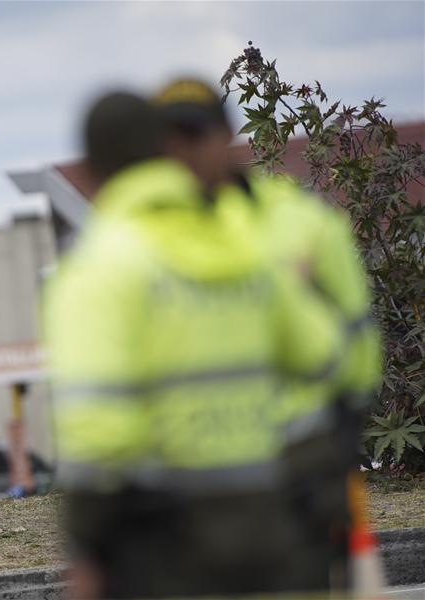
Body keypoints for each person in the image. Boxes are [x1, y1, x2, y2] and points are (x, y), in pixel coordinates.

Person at [44, 91, 344, 598]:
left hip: (164, 547)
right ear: (164, 149)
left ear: (91, 170)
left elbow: (98, 432)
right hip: (271, 525)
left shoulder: (99, 266)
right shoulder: (242, 240)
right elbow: (322, 355)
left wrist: (88, 548)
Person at [154, 77, 383, 590]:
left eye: (193, 136)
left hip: (299, 462)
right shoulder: (143, 239)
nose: (182, 153)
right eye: (167, 142)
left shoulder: (300, 222)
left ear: (225, 135)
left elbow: (355, 333)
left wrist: (343, 426)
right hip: (198, 478)